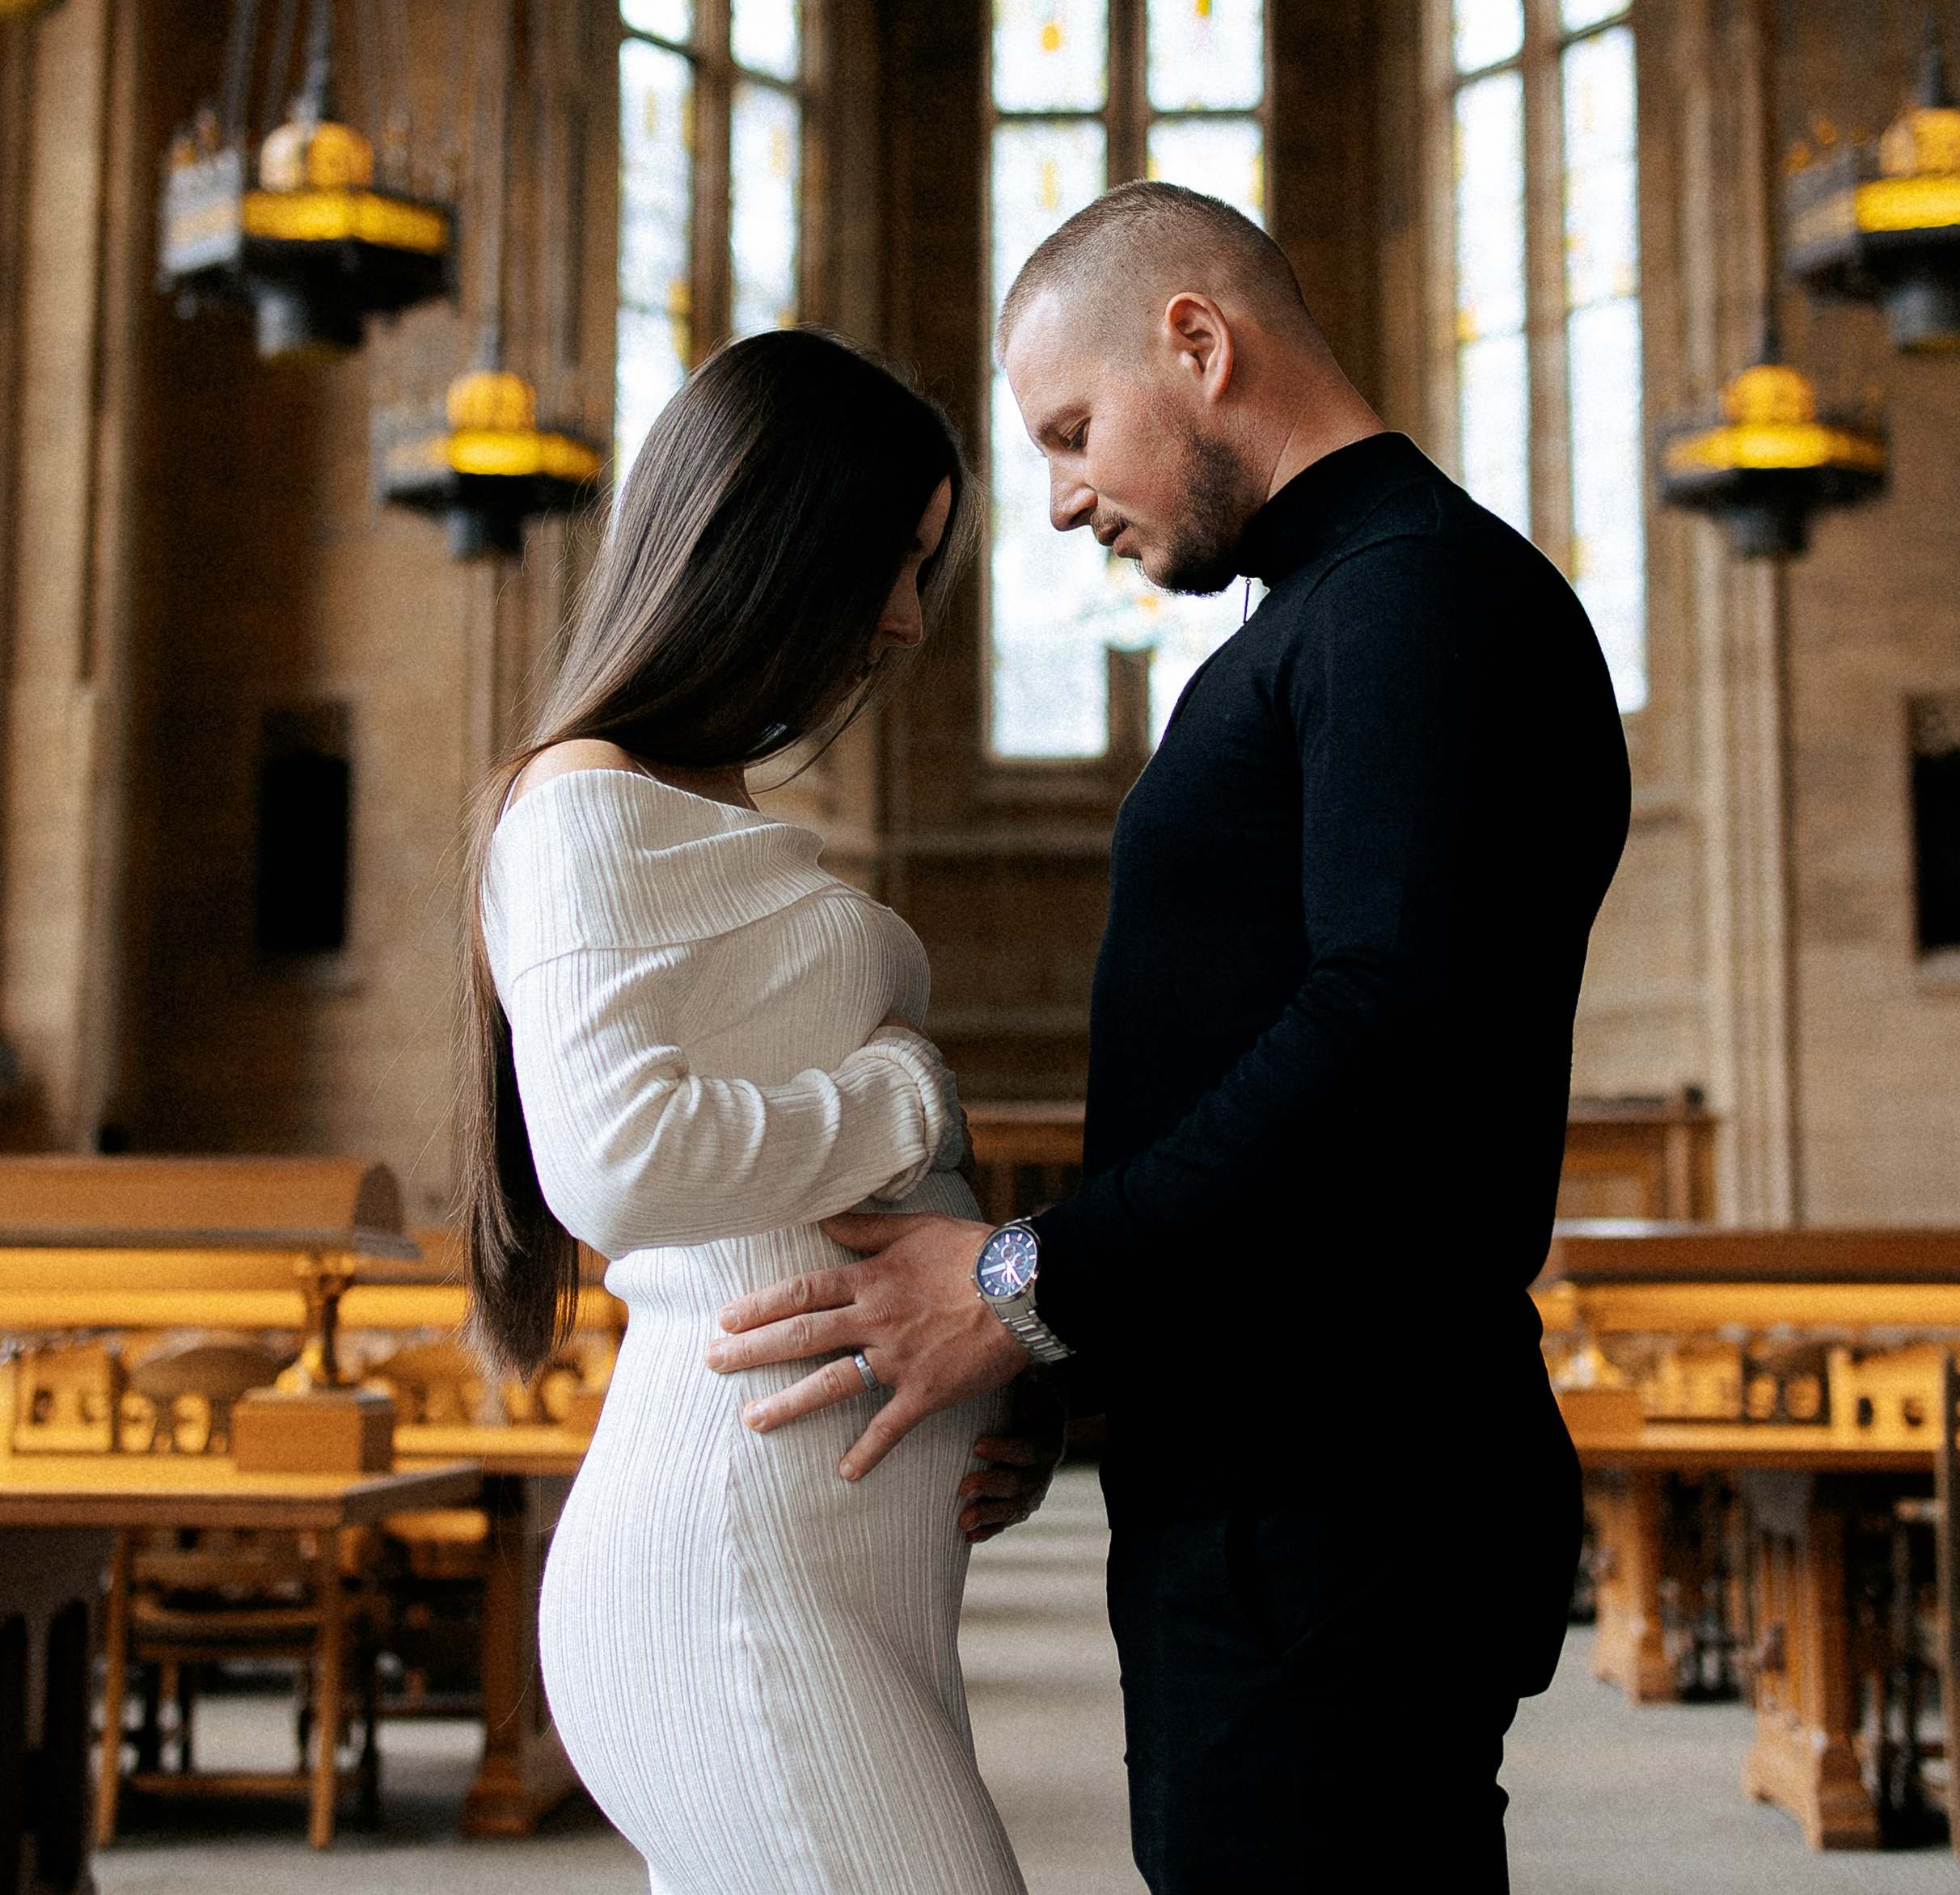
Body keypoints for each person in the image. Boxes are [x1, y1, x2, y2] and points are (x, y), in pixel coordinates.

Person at [707, 183, 1633, 1893]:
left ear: (1196, 342)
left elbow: (1387, 1033)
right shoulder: (1332, 609)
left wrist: (1021, 1282)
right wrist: (1078, 1347)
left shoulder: (1412, 600)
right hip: (1281, 1492)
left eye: (1071, 432)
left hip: (1340, 1495)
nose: (1062, 499)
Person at [458, 328, 1056, 1895]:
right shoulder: (580, 797)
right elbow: (616, 1162)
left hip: (837, 1578)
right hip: (734, 1571)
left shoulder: (697, 808)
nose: (907, 620)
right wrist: (903, 1096)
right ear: (767, 539)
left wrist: (1003, 1377)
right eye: (889, 561)